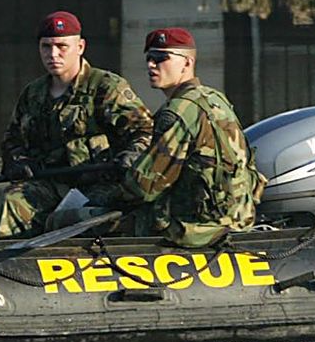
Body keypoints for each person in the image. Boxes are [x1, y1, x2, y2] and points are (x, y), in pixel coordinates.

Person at [0, 10, 154, 238]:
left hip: (101, 184)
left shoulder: (106, 87)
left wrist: (130, 157)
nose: (53, 54)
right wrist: (19, 161)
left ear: (80, 47)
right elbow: (12, 140)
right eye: (46, 47)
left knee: (74, 217)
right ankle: (6, 265)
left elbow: (144, 132)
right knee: (12, 201)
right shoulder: (33, 94)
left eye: (61, 46)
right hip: (52, 183)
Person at [96, 27, 262, 247]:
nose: (151, 65)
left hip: (196, 226)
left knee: (77, 217)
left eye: (161, 58)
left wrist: (105, 196)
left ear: (187, 63)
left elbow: (145, 186)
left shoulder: (178, 111)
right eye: (149, 58)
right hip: (239, 216)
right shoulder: (215, 98)